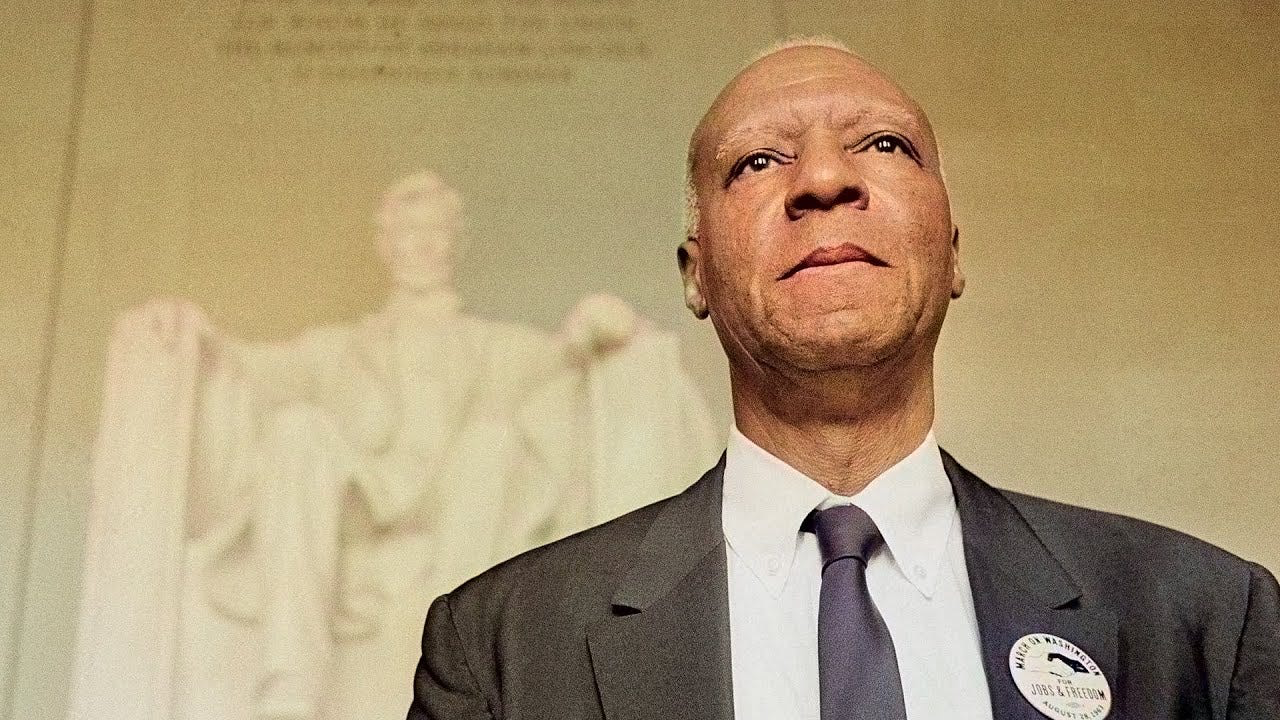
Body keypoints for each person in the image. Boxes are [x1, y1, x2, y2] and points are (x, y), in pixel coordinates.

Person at [405, 39, 1280, 720]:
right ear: (694, 275)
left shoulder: (1206, 619)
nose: (824, 180)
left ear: (953, 253)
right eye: (758, 161)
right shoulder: (502, 650)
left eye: (884, 145)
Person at [69, 171, 716, 720]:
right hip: (358, 500)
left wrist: (605, 321)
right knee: (297, 432)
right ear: (386, 245)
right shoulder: (340, 350)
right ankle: (291, 677)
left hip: (458, 514)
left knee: (493, 439)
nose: (421, 246)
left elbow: (567, 364)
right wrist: (192, 332)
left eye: (435, 231)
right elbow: (251, 371)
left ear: (455, 245)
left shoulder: (493, 347)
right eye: (409, 232)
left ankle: (462, 662)